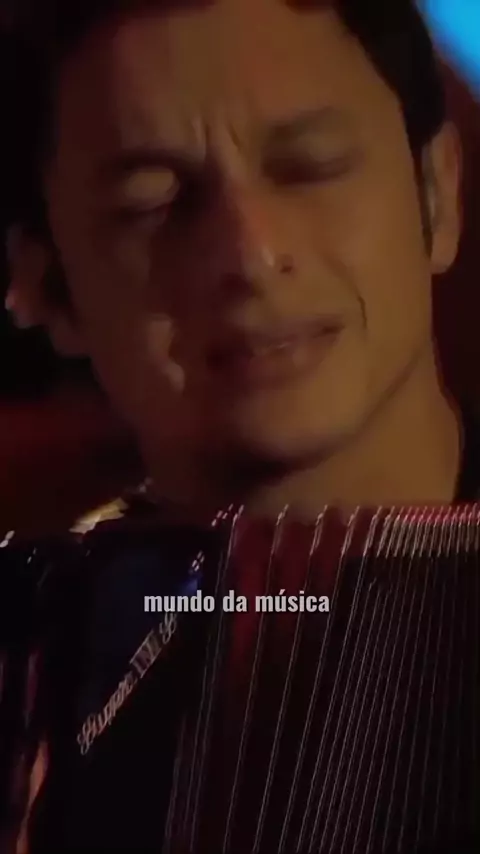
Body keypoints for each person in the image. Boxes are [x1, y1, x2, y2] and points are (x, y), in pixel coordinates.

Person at [0, 0, 477, 852]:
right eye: (151, 203)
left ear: (438, 195)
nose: (250, 254)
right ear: (42, 286)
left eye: (310, 167)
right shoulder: (33, 659)